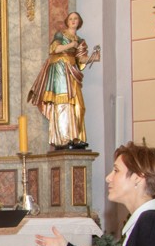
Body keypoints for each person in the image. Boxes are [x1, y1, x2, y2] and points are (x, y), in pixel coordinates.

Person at [27, 11, 101, 149]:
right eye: (71, 18)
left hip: (72, 71)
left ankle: (76, 137)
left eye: (76, 19)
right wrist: (70, 45)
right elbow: (54, 49)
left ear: (79, 22)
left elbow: (81, 60)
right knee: (62, 103)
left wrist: (94, 57)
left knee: (79, 106)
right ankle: (63, 139)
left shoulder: (80, 41)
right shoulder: (61, 35)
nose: (73, 21)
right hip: (60, 70)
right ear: (67, 21)